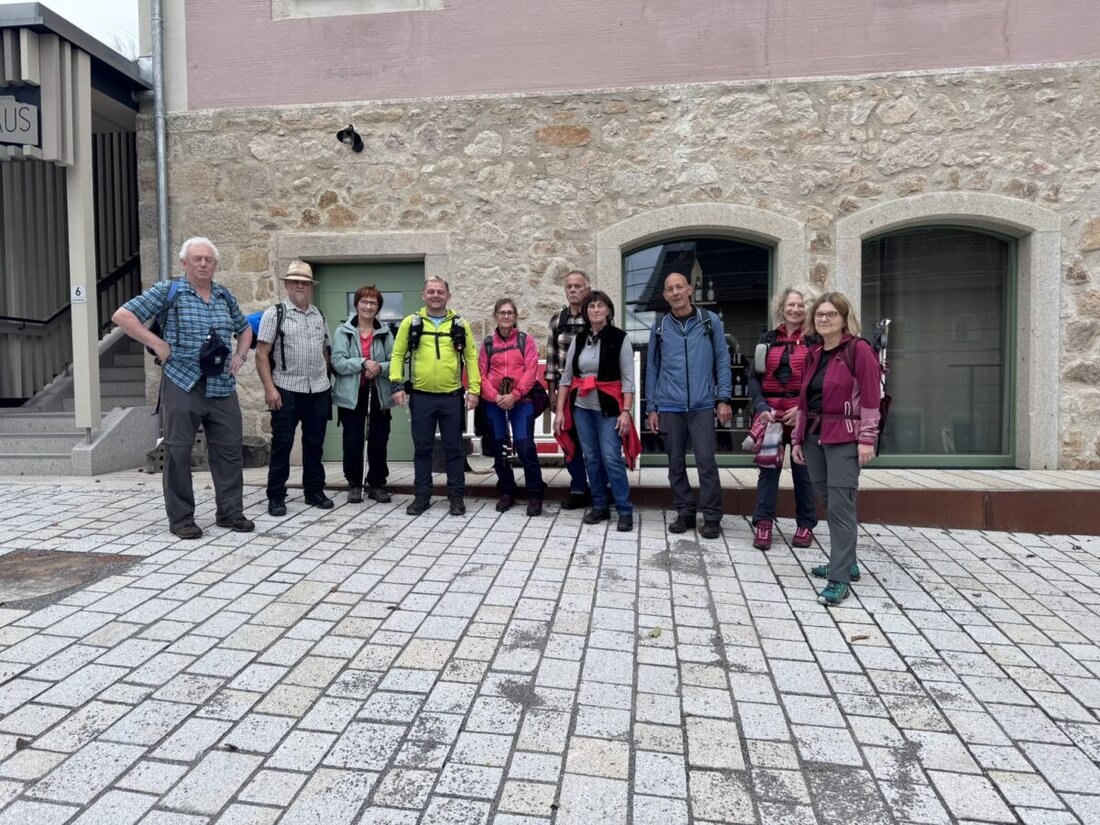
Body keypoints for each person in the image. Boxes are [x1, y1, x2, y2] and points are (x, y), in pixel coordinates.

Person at [111, 237, 254, 539]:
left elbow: (245, 328)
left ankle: (230, 513)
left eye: (209, 260)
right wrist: (157, 344)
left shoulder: (224, 296)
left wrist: (240, 356)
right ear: (184, 263)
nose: (203, 264)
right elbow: (123, 315)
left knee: (229, 451)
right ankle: (181, 520)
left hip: (222, 386)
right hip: (182, 382)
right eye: (197, 259)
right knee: (177, 453)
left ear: (215, 264)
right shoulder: (169, 291)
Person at [792, 291, 881, 607]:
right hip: (814, 437)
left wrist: (867, 438)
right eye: (819, 314)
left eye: (831, 314)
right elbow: (804, 401)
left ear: (844, 318)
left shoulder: (859, 350)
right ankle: (849, 561)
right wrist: (797, 439)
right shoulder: (814, 353)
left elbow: (872, 398)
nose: (824, 319)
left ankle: (839, 578)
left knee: (841, 506)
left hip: (845, 436)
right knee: (829, 498)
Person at [645, 271, 732, 539]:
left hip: (703, 404)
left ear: (690, 290)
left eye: (679, 287)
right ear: (665, 295)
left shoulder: (709, 321)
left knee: (706, 460)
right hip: (669, 405)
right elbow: (652, 368)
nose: (675, 292)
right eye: (670, 289)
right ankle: (685, 511)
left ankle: (712, 516)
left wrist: (724, 399)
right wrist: (652, 407)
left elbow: (721, 359)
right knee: (675, 463)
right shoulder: (659, 327)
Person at [390, 276, 480, 516]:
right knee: (422, 449)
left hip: (451, 397)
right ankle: (421, 496)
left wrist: (474, 389)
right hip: (421, 397)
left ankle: (456, 497)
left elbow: (471, 357)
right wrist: (396, 386)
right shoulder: (411, 322)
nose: (436, 295)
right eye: (431, 291)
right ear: (423, 295)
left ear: (448, 296)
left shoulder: (460, 324)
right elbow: (398, 355)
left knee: (454, 449)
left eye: (440, 292)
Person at [554, 291, 640, 532]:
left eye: (600, 306)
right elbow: (566, 379)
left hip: (610, 408)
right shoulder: (579, 340)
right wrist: (560, 412)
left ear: (608, 311)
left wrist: (626, 411)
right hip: (582, 408)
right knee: (591, 457)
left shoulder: (620, 338)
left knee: (611, 457)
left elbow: (627, 381)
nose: (595, 310)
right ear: (586, 312)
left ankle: (624, 509)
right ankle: (599, 505)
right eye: (591, 306)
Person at [255, 260, 333, 516]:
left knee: (315, 442)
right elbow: (262, 354)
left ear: (310, 287)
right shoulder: (275, 314)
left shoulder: (319, 315)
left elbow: (325, 350)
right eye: (295, 282)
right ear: (287, 285)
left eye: (305, 282)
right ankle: (276, 495)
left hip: (317, 389)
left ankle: (314, 490)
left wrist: (326, 381)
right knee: (283, 443)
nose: (300, 286)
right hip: (286, 387)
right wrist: (270, 389)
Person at [746, 284, 820, 551]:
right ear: (782, 307)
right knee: (768, 471)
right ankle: (764, 524)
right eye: (791, 304)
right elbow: (753, 377)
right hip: (772, 415)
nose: (796, 309)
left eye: (801, 305)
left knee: (804, 472)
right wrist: (760, 404)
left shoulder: (815, 341)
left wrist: (803, 408)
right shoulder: (767, 339)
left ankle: (805, 525)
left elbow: (820, 382)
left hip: (802, 416)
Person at [479, 299, 546, 516]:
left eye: (510, 313)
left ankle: (535, 494)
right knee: (499, 447)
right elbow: (481, 375)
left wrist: (515, 395)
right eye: (502, 313)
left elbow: (531, 370)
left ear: (515, 317)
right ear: (495, 317)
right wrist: (496, 396)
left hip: (521, 400)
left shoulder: (525, 340)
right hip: (495, 402)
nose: (506, 316)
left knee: (525, 446)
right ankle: (507, 490)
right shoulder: (488, 344)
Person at [331, 285, 394, 505]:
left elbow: (394, 362)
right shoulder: (343, 331)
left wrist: (379, 367)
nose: (368, 306)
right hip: (352, 394)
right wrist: (362, 362)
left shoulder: (385, 332)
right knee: (352, 439)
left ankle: (377, 484)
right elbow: (337, 362)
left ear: (378, 308)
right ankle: (354, 484)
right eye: (364, 302)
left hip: (378, 393)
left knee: (379, 439)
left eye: (373, 303)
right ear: (356, 304)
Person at [545, 269, 593, 509]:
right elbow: (552, 360)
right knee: (569, 441)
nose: (573, 290)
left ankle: (598, 487)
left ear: (588, 290)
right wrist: (552, 393)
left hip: (592, 391)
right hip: (566, 392)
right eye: (569, 286)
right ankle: (577, 487)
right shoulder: (557, 320)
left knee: (592, 442)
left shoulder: (596, 317)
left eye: (578, 286)